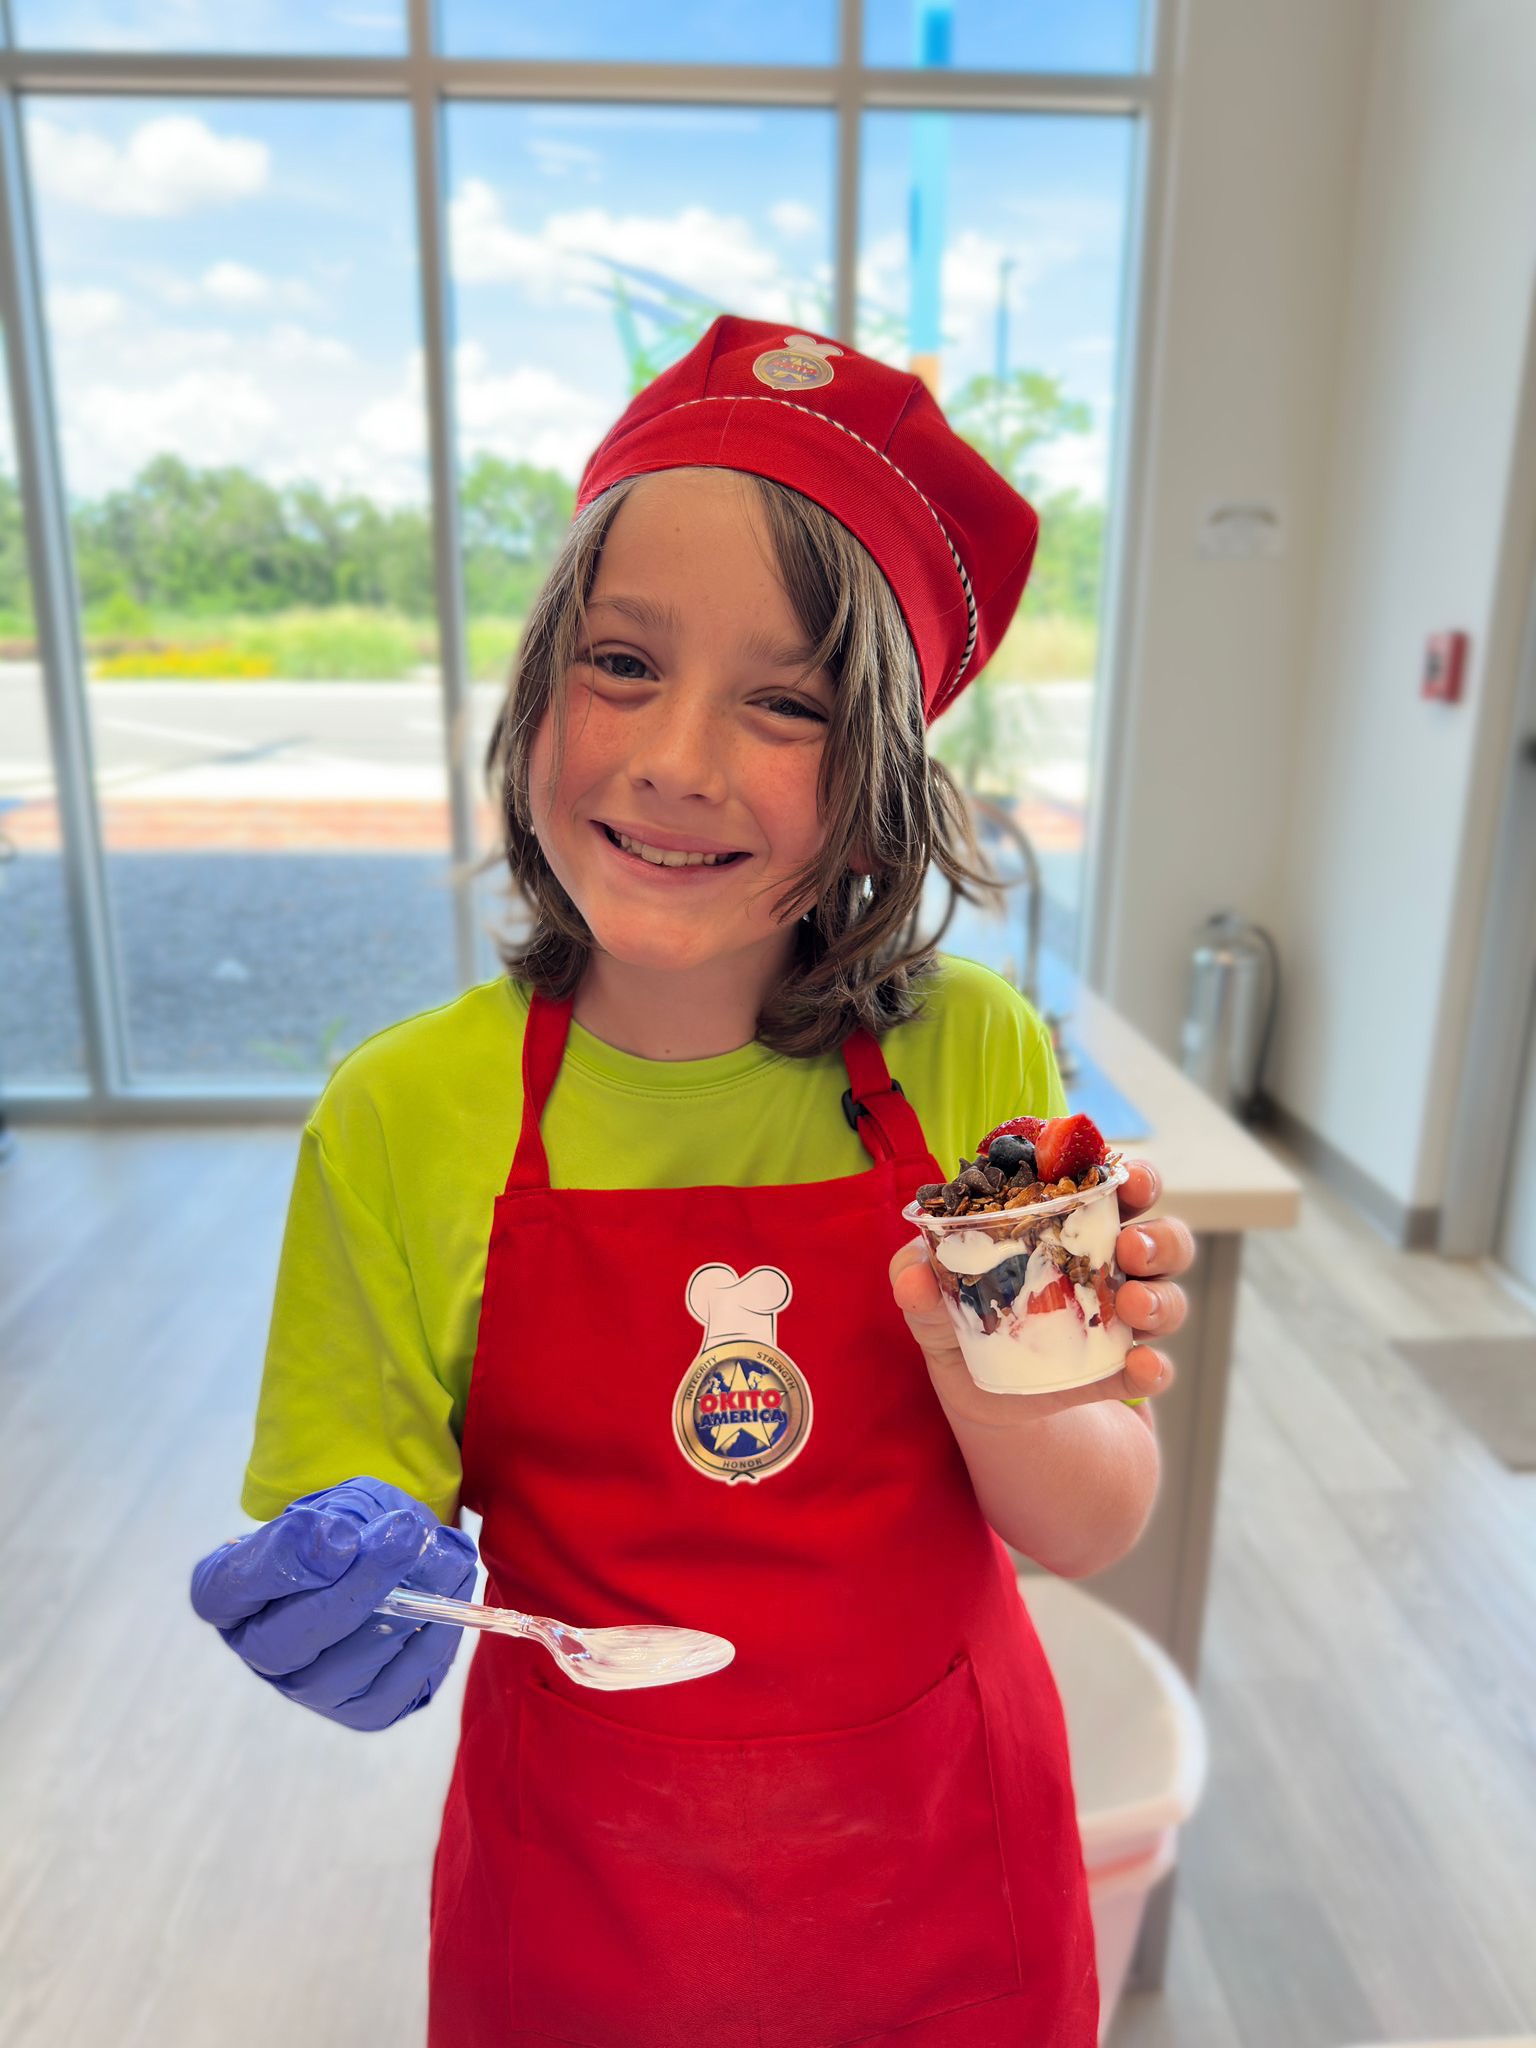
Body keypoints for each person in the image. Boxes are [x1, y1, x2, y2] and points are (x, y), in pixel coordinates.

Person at [190, 314, 1195, 2045]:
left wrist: (995, 1378)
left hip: (948, 1885)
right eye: (623, 666)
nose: (675, 758)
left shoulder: (973, 1070)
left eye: (786, 701)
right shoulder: (404, 1116)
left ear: (878, 792)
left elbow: (1093, 1517)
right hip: (583, 1905)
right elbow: (358, 1515)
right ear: (534, 706)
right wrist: (339, 1590)